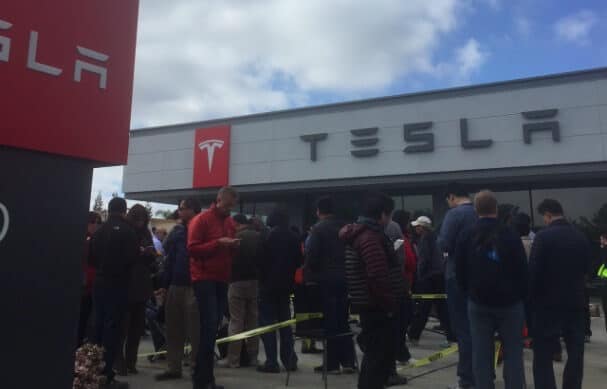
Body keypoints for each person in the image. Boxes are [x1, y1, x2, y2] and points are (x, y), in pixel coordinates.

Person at [455, 191, 528, 389]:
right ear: (496, 208)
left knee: (481, 353)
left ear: (476, 210)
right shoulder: (510, 234)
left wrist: (468, 292)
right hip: (510, 303)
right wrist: (521, 296)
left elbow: (458, 270)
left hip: (478, 303)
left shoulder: (466, 234)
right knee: (513, 352)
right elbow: (523, 270)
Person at [529, 199, 591, 389]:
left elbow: (534, 273)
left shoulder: (543, 237)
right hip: (575, 303)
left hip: (548, 306)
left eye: (544, 218)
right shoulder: (580, 237)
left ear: (548, 215)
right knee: (575, 353)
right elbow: (587, 269)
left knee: (543, 355)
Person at [340, 192, 399, 389]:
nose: (389, 220)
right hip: (376, 305)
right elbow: (377, 274)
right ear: (382, 214)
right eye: (389, 215)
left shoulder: (360, 233)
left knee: (375, 358)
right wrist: (390, 304)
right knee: (376, 359)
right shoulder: (370, 237)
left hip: (367, 301)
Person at [188, 187, 240, 389]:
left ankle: (204, 377)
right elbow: (192, 249)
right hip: (204, 278)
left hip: (221, 279)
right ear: (218, 200)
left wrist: (233, 247)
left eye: (232, 206)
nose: (229, 209)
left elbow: (227, 253)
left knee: (213, 327)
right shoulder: (201, 220)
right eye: (227, 205)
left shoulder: (229, 222)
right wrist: (218, 243)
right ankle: (202, 378)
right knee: (209, 327)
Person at [90, 197, 139, 389]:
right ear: (124, 211)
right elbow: (132, 258)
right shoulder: (128, 232)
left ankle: (91, 371)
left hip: (100, 281)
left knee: (97, 325)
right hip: (118, 284)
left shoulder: (99, 231)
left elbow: (92, 257)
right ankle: (106, 374)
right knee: (113, 328)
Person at [304, 197, 356, 374]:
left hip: (325, 279)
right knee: (343, 320)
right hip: (346, 278)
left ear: (319, 211)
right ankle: (349, 361)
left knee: (330, 322)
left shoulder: (318, 229)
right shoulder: (346, 227)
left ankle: (332, 363)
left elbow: (311, 255)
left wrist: (312, 272)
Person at [155, 199, 202, 381]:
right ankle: (173, 367)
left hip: (195, 286)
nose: (179, 212)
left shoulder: (200, 229)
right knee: (173, 329)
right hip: (175, 284)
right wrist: (165, 286)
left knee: (195, 330)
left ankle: (197, 370)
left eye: (182, 209)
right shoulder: (176, 232)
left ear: (193, 210)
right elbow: (169, 261)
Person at [437, 182, 477, 389]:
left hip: (456, 277)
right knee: (481, 328)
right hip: (481, 277)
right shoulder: (480, 212)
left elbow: (444, 243)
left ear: (452, 197)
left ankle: (467, 378)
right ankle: (484, 372)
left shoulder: (454, 215)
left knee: (463, 330)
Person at [257, 208, 301, 373]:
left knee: (267, 325)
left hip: (267, 286)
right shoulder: (294, 237)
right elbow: (299, 261)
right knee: (285, 324)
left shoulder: (266, 236)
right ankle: (289, 360)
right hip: (285, 286)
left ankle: (271, 361)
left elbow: (259, 260)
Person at [115, 204, 157, 375]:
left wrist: (150, 253)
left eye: (143, 219)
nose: (140, 223)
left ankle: (131, 362)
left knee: (136, 328)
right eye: (137, 219)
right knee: (122, 328)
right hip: (126, 285)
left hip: (141, 285)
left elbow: (152, 257)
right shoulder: (125, 231)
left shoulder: (146, 233)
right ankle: (119, 362)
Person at [219, 213, 261, 368]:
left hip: (236, 282)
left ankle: (233, 359)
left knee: (236, 321)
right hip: (255, 282)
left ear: (236, 223)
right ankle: (253, 358)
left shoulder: (235, 238)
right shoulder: (258, 236)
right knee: (253, 321)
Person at [408, 216, 454, 345]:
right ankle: (451, 337)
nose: (416, 228)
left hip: (428, 277)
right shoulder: (436, 237)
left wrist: (419, 276)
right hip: (439, 276)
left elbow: (423, 260)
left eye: (417, 226)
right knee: (442, 309)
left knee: (423, 308)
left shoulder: (424, 239)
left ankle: (413, 335)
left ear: (422, 228)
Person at [383, 219, 410, 387]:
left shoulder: (360, 233)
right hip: (391, 288)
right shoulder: (392, 229)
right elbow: (402, 261)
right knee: (393, 330)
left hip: (370, 292)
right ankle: (389, 372)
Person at [77, 211, 102, 347]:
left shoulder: (99, 240)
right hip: (83, 289)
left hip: (95, 289)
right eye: (92, 222)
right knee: (81, 323)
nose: (95, 225)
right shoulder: (81, 241)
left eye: (98, 223)